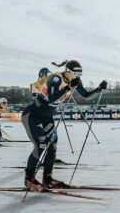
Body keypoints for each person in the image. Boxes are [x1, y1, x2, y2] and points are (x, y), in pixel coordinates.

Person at [22, 60, 107, 191]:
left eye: (80, 73)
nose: (79, 76)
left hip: (47, 118)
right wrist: (68, 87)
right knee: (41, 146)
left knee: (53, 146)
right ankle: (29, 179)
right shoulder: (55, 78)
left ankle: (48, 178)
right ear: (68, 72)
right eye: (76, 73)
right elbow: (51, 98)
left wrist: (99, 89)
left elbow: (86, 96)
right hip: (33, 115)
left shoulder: (75, 81)